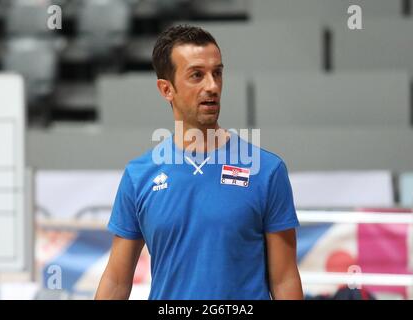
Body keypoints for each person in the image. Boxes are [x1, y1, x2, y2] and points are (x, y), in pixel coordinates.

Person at [95, 25, 303, 300]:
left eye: (217, 73)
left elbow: (285, 279)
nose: (212, 86)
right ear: (166, 89)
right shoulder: (139, 176)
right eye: (197, 75)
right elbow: (117, 280)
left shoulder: (267, 170)